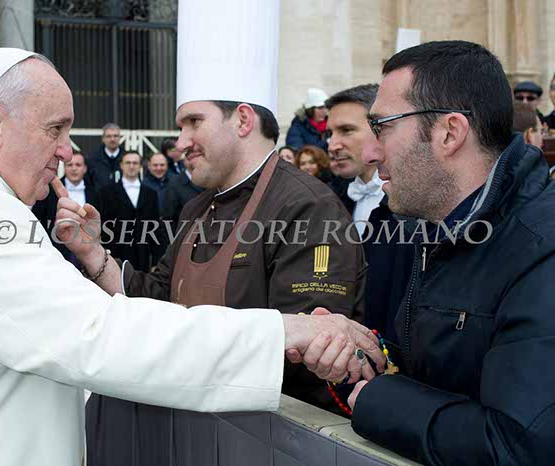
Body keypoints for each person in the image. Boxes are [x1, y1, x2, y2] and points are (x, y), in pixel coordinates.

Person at [0, 47, 383, 466]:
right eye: (55, 128)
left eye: (194, 122)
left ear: (243, 120)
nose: (66, 150)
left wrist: (93, 255)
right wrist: (282, 331)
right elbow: (100, 333)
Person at [76, 1, 370, 462]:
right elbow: (158, 296)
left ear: (244, 120)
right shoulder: (197, 207)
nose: (180, 143)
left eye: (194, 122)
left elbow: (303, 349)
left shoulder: (307, 207)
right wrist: (94, 255)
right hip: (189, 431)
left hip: (264, 441)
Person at [344, 40, 555, 465]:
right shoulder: (440, 227)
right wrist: (359, 353)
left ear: (450, 133)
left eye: (381, 127)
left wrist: (378, 399)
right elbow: (443, 372)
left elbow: (524, 449)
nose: (369, 152)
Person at [325, 84, 414, 343]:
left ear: (380, 129)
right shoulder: (330, 199)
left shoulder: (412, 207)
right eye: (329, 133)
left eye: (347, 130)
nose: (332, 145)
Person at [98, 151, 164, 270]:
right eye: (128, 163)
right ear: (121, 165)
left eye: (135, 163)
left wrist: (156, 261)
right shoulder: (107, 192)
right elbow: (104, 225)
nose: (131, 166)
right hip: (117, 254)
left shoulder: (151, 194)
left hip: (143, 255)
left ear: (140, 166)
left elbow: (155, 227)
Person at [32, 149, 96, 267]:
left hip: (88, 249)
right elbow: (39, 220)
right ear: (64, 168)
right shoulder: (49, 191)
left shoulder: (96, 192)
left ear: (85, 168)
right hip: (58, 252)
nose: (74, 168)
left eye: (78, 165)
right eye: (70, 165)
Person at [161, 154, 203, 232]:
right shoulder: (173, 184)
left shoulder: (210, 182)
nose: (194, 161)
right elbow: (168, 218)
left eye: (197, 157)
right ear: (184, 160)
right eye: (189, 157)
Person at [87, 122, 124, 195]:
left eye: (115, 136)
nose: (112, 139)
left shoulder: (126, 159)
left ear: (120, 138)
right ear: (103, 139)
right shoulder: (93, 159)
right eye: (108, 136)